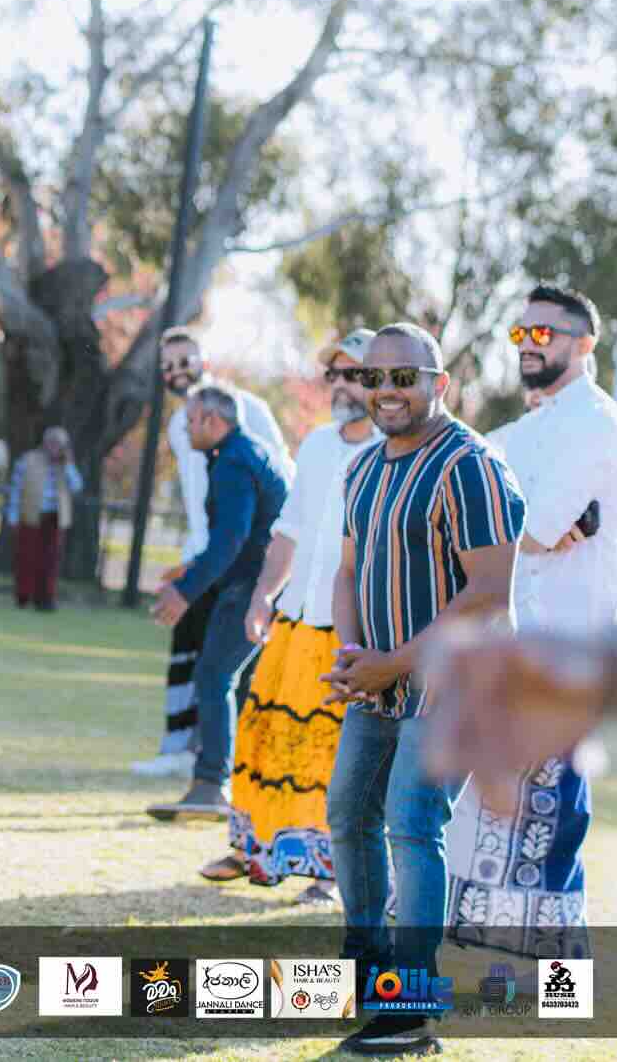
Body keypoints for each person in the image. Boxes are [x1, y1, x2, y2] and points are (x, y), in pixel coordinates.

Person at [323, 323, 524, 1058]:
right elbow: (348, 570)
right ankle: (368, 965)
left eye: (404, 376)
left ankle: (409, 1004)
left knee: (411, 822)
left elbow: (492, 589)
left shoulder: (470, 464)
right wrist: (353, 654)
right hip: (379, 677)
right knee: (346, 812)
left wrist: (395, 660)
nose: (387, 391)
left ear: (439, 381)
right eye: (373, 378)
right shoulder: (363, 467)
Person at [421, 563, 617, 1046]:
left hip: (566, 701)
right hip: (558, 689)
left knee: (550, 856)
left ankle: (561, 982)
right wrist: (606, 663)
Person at [441, 285, 617, 960]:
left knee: (552, 813)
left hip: (569, 646)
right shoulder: (524, 430)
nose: (530, 345)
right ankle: (504, 960)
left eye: (545, 333)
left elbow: (533, 519)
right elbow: (491, 502)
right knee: (496, 809)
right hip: (512, 637)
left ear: (584, 344)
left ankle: (560, 968)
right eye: (521, 334)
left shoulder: (599, 422)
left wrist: (540, 527)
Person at [201, 330, 380, 902]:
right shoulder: (320, 446)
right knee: (264, 731)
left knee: (331, 748)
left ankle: (330, 873)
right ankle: (253, 851)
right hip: (295, 616)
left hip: (349, 626)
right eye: (337, 374)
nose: (344, 385)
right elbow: (289, 530)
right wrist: (262, 596)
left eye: (356, 373)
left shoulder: (392, 453)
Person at [136, 327, 293, 779]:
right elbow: (197, 496)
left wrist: (205, 573)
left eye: (184, 361)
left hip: (244, 555)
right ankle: (184, 751)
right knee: (194, 658)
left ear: (204, 361)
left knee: (222, 666)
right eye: (167, 365)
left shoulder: (242, 416)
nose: (175, 372)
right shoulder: (179, 425)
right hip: (213, 551)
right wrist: (193, 564)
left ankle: (222, 767)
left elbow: (270, 485)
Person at [7, 427, 82, 612]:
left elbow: (77, 486)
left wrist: (68, 466)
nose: (55, 448)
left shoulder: (66, 465)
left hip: (55, 518)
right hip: (31, 514)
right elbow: (16, 489)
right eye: (52, 443)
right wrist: (13, 515)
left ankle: (45, 598)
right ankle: (23, 596)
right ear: (45, 443)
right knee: (27, 558)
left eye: (60, 444)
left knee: (50, 561)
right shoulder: (28, 460)